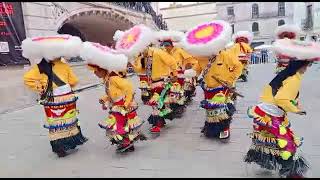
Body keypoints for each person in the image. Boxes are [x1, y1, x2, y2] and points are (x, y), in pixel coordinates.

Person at [244, 37, 320, 178]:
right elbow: (281, 98)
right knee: (287, 143)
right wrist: (296, 110)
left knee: (268, 139)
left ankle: (266, 162)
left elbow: (273, 92)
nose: (307, 68)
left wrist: (294, 103)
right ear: (300, 65)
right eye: (307, 65)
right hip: (270, 114)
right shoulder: (293, 79)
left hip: (263, 112)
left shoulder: (286, 74)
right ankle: (291, 173)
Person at [22, 35, 88, 157]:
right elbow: (74, 81)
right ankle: (71, 142)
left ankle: (59, 147)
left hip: (51, 99)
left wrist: (41, 88)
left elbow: (27, 79)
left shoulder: (39, 67)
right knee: (69, 121)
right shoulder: (64, 66)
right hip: (66, 98)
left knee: (56, 123)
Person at [80, 42, 146, 153]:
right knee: (119, 126)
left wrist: (126, 104)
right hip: (117, 105)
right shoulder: (107, 79)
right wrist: (105, 98)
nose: (95, 73)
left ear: (102, 69)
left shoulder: (114, 78)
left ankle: (127, 144)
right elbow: (113, 93)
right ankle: (125, 143)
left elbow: (129, 89)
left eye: (96, 71)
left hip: (123, 105)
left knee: (121, 126)